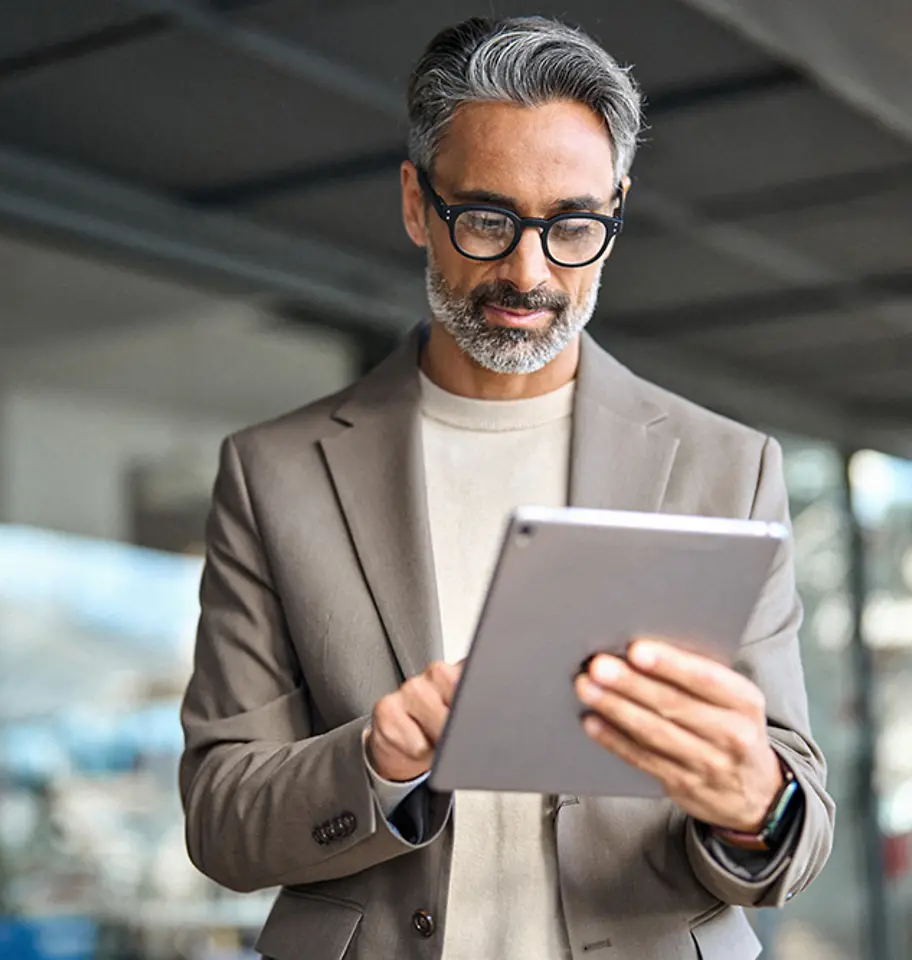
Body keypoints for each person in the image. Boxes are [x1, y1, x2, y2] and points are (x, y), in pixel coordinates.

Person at [178, 15, 832, 960]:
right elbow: (220, 818)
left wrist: (754, 803)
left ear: (616, 216)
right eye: (487, 218)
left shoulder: (728, 466)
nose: (529, 272)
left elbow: (797, 828)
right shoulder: (273, 474)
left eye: (573, 225)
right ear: (416, 203)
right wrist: (374, 761)